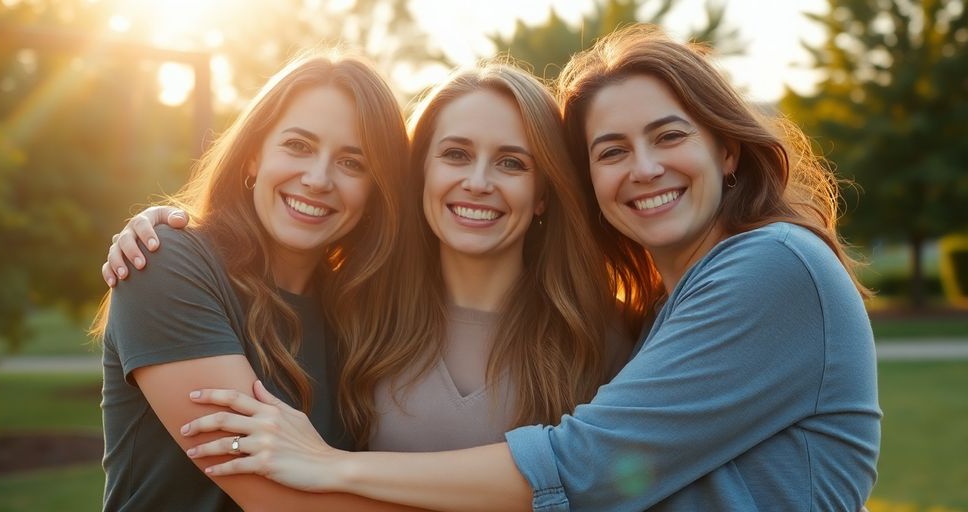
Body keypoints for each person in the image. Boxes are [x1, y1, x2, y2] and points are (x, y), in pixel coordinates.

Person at [173, 24, 882, 511]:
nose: (643, 168)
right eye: (610, 151)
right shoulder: (359, 304)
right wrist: (174, 229)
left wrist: (334, 466)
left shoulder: (768, 268)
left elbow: (588, 464)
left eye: (668, 136)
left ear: (727, 151)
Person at [103, 62, 629, 453]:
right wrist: (163, 231)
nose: (477, 182)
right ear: (418, 173)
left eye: (512, 162)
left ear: (544, 193)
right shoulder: (365, 314)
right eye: (455, 154)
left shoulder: (596, 340)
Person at [92, 50, 421, 511]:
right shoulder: (166, 265)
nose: (318, 178)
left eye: (352, 163)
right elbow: (280, 500)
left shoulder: (361, 310)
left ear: (376, 189)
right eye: (298, 146)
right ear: (252, 156)